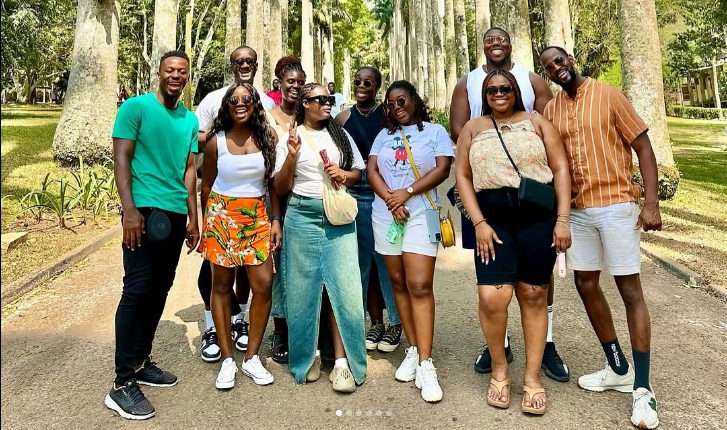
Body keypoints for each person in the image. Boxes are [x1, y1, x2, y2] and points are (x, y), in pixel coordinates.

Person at [540, 46, 663, 429]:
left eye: (559, 61)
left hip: (616, 205)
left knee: (629, 289)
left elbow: (643, 146)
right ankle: (618, 368)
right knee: (585, 283)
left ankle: (642, 388)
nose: (557, 68)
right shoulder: (551, 110)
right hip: (578, 211)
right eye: (549, 67)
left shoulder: (609, 95)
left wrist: (651, 203)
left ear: (571, 59)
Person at [449, 26, 570, 383]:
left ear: (516, 91)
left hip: (536, 212)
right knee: (493, 294)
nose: (499, 93)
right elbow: (461, 167)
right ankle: (498, 355)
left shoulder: (534, 101)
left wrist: (562, 218)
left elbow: (559, 163)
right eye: (493, 91)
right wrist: (478, 221)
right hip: (490, 214)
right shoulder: (470, 102)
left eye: (505, 90)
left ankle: (539, 361)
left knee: (534, 291)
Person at [105, 50, 200, 420]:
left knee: (160, 288)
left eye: (182, 72)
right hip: (143, 210)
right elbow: (122, 158)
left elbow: (189, 169)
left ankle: (140, 361)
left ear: (187, 77)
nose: (176, 76)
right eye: (170, 70)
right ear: (159, 73)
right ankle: (121, 383)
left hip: (174, 214)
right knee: (137, 289)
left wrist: (193, 218)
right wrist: (129, 209)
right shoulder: (135, 108)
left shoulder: (189, 119)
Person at [274, 83, 367, 393]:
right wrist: (291, 155)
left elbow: (358, 173)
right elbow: (280, 187)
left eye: (329, 98)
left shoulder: (340, 135)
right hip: (301, 217)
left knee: (344, 289)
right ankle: (309, 356)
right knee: (302, 291)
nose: (328, 103)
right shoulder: (292, 136)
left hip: (337, 219)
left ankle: (342, 362)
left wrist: (343, 174)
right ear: (305, 104)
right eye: (320, 99)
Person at [367, 80, 454, 403]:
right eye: (391, 104)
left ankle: (427, 364)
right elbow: (372, 170)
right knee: (398, 283)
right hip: (386, 214)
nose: (397, 107)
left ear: (414, 100)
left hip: (420, 213)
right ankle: (414, 350)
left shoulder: (435, 132)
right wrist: (392, 199)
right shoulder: (383, 136)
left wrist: (407, 192)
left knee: (419, 284)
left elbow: (443, 169)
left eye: (402, 100)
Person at [198, 83, 282, 389]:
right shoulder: (215, 142)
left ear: (255, 104)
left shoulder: (267, 137)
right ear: (227, 106)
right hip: (222, 217)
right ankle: (227, 359)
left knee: (263, 285)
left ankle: (251, 358)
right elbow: (207, 187)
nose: (240, 104)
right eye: (234, 100)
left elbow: (272, 182)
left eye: (246, 99)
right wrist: (207, 225)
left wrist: (276, 219)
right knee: (221, 286)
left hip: (257, 216)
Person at [335, 67, 402, 353]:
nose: (361, 86)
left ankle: (396, 322)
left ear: (377, 87)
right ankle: (369, 323)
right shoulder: (342, 118)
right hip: (354, 193)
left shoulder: (387, 116)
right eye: (358, 81)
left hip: (383, 192)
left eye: (368, 82)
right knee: (361, 263)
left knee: (386, 260)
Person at [264, 56, 307, 364]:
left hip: (307, 201)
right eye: (290, 82)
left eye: (301, 82)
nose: (296, 87)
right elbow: (270, 176)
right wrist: (276, 218)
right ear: (279, 84)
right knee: (278, 267)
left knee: (304, 266)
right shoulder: (269, 120)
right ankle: (280, 329)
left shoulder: (312, 115)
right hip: (277, 201)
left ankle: (305, 326)